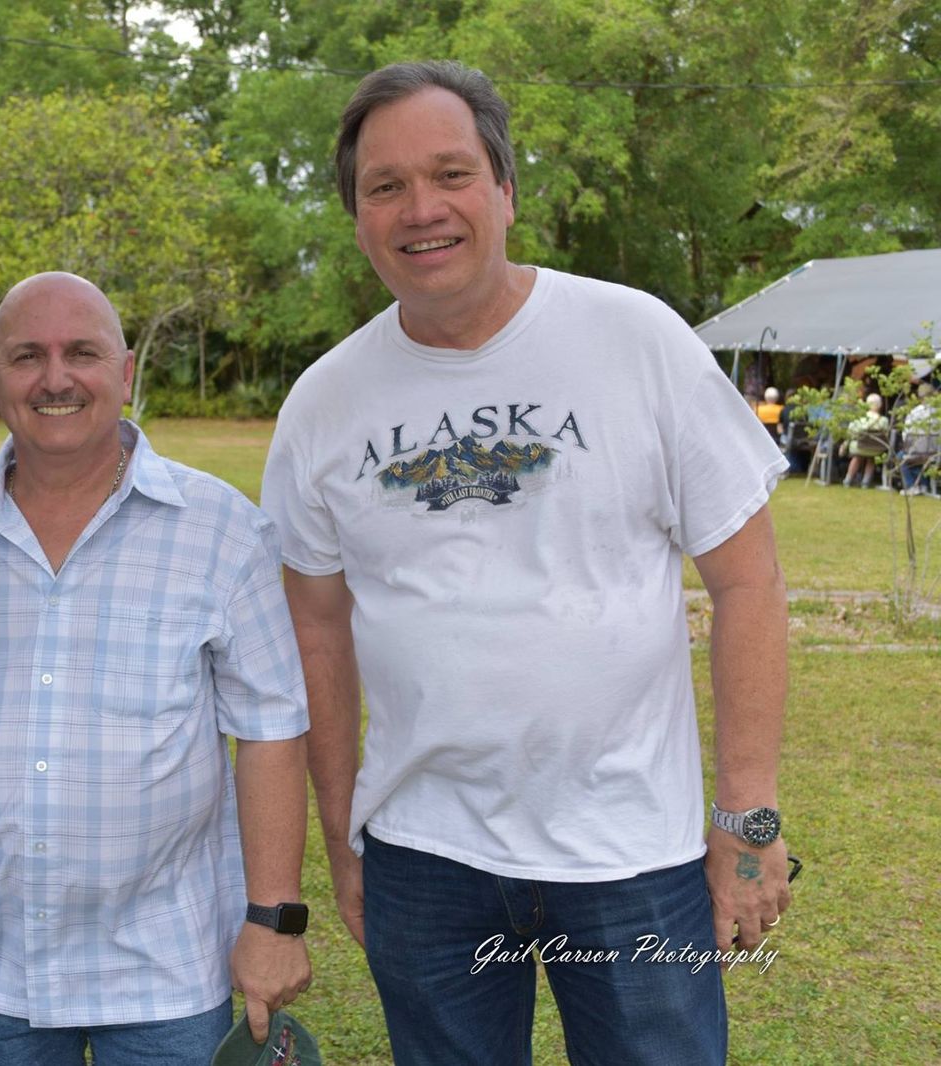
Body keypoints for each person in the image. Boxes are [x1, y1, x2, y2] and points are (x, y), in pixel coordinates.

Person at [261, 60, 791, 1064]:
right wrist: (342, 837)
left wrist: (749, 817)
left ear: (505, 189)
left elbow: (748, 583)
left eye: (451, 173)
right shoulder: (324, 403)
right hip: (424, 854)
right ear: (357, 218)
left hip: (632, 850)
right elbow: (316, 630)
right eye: (385, 186)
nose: (422, 209)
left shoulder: (636, 339)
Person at [0, 272, 312, 1065]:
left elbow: (271, 729)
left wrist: (274, 919)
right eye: (28, 356)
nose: (55, 378)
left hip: (165, 967)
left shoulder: (223, 530)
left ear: (125, 373)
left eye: (82, 353)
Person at [843, 392, 890, 488]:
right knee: (871, 459)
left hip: (859, 447)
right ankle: (866, 482)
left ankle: (848, 480)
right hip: (876, 449)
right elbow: (886, 434)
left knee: (857, 457)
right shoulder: (884, 420)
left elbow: (851, 432)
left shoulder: (860, 418)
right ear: (880, 405)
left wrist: (845, 444)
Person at [899, 382, 937, 495]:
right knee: (920, 460)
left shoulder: (915, 412)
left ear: (920, 397)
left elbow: (906, 434)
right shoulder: (938, 412)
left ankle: (911, 486)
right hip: (935, 453)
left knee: (901, 457)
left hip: (916, 451)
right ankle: (923, 485)